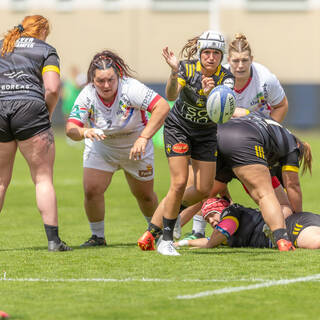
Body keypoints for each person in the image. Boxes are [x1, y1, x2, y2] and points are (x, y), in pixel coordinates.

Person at [137, 30, 234, 256]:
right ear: (200, 53)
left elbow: (223, 111)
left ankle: (169, 218)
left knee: (203, 189)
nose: (210, 57)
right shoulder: (186, 68)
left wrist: (212, 93)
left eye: (216, 53)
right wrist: (173, 73)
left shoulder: (226, 77)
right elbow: (171, 96)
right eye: (206, 52)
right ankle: (166, 240)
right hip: (178, 128)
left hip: (206, 133)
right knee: (179, 183)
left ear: (221, 56)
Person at [66, 50, 170, 247]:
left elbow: (162, 106)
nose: (106, 85)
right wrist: (84, 132)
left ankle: (156, 233)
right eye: (100, 81)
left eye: (110, 80)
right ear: (92, 80)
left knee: (145, 196)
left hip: (136, 146)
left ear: (118, 76)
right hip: (102, 148)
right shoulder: (87, 94)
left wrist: (144, 137)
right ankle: (97, 237)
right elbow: (71, 128)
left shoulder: (131, 88)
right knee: (91, 189)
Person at [0, 15, 71, 251]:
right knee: (42, 178)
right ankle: (53, 241)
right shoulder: (46, 49)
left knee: (0, 181)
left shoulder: (3, 45)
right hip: (30, 108)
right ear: (42, 31)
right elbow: (51, 88)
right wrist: (47, 114)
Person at [175, 197, 320, 250]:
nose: (211, 221)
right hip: (298, 224)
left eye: (212, 215)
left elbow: (217, 236)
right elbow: (208, 240)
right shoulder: (225, 235)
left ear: (222, 210)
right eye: (207, 220)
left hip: (294, 226)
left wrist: (210, 244)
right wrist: (180, 244)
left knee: (316, 243)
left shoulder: (231, 213)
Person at [228, 33, 288, 122]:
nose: (240, 65)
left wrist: (269, 131)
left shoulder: (266, 80)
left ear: (251, 59)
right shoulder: (219, 78)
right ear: (228, 60)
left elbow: (281, 105)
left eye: (244, 60)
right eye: (236, 61)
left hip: (258, 129)